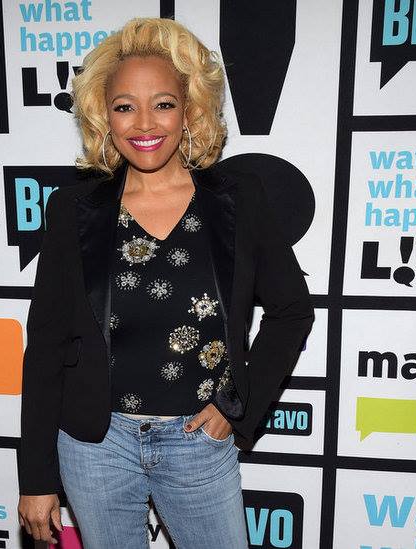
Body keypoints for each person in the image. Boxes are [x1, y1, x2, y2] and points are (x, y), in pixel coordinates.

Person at [17, 16, 314, 548]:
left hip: (198, 442)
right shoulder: (73, 209)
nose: (143, 123)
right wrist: (36, 478)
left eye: (163, 103)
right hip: (96, 446)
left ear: (189, 109)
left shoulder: (239, 199)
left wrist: (237, 407)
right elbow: (45, 346)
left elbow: (291, 310)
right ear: (104, 117)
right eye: (124, 106)